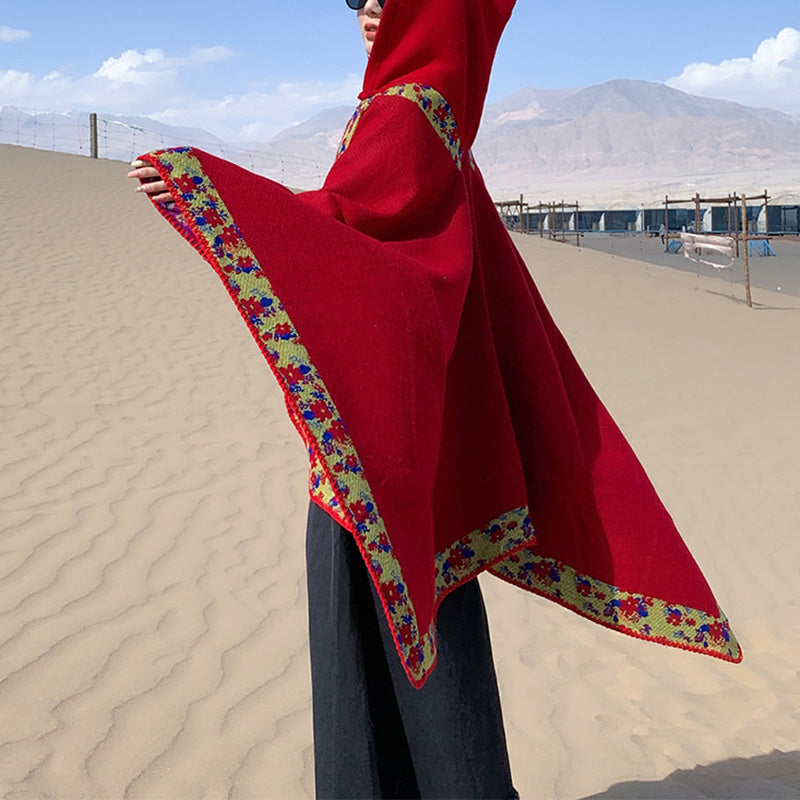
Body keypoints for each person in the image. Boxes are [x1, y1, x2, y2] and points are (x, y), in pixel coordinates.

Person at [129, 1, 740, 798]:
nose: (369, 6)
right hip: (427, 444)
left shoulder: (408, 113)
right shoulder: (442, 120)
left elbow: (354, 240)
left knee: (379, 642)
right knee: (427, 629)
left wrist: (213, 190)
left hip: (383, 452)